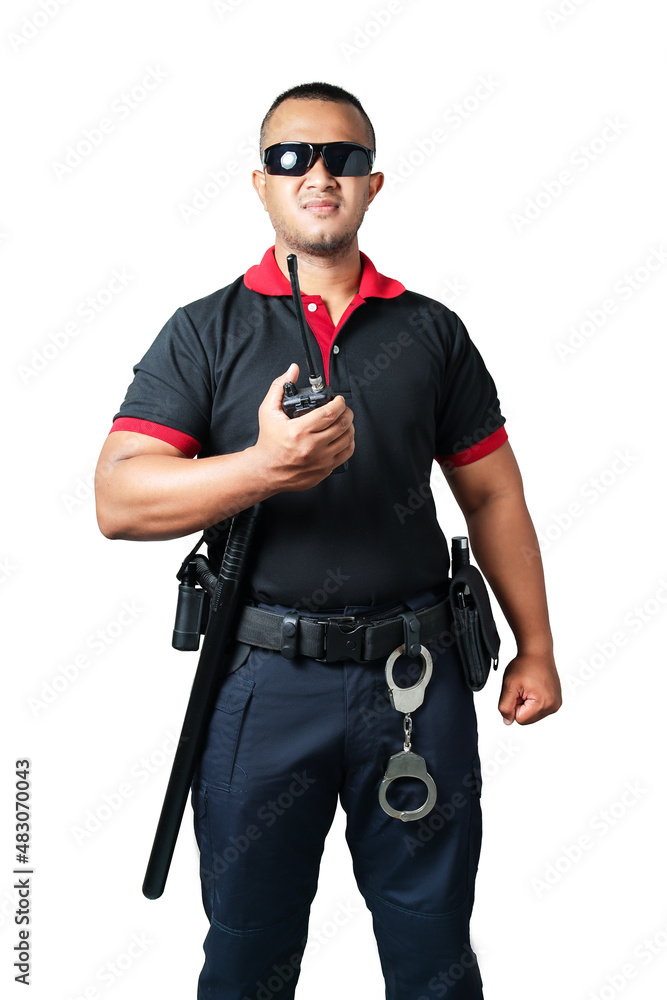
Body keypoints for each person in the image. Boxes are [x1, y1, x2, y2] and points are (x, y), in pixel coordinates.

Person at [95, 81, 561, 1000]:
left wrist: (536, 647)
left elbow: (493, 494)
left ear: (372, 184)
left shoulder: (430, 330)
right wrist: (261, 468)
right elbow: (119, 499)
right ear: (259, 184)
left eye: (342, 158)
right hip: (261, 683)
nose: (317, 173)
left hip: (413, 683)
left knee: (432, 951)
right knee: (247, 951)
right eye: (291, 157)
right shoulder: (206, 332)